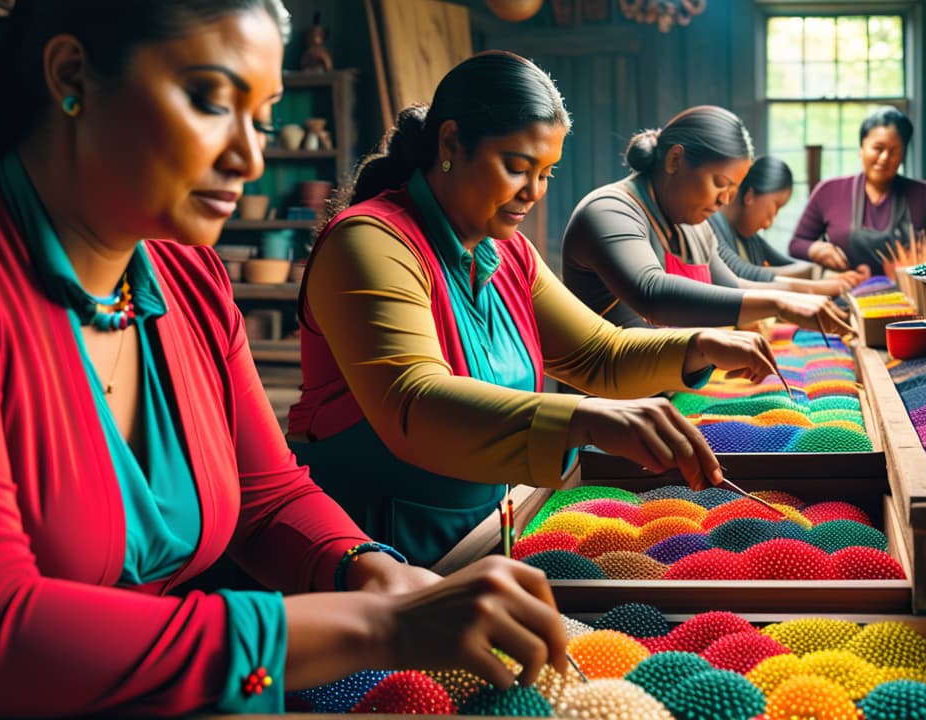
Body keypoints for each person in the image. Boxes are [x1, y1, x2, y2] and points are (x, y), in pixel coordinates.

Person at [0, 3, 573, 715]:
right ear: (72, 74)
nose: (250, 158)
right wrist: (375, 626)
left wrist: (372, 569)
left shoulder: (187, 281)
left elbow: (266, 498)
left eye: (262, 119)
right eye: (210, 100)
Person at [289, 52, 782, 568]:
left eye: (546, 173)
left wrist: (698, 346)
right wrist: (584, 419)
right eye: (517, 168)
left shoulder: (508, 252)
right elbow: (413, 402)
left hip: (477, 534)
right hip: (371, 548)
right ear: (451, 142)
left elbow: (599, 354)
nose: (534, 193)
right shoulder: (368, 242)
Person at [560, 106, 854, 330]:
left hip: (670, 388)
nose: (725, 200)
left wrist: (809, 296)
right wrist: (780, 303)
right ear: (675, 160)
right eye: (720, 183)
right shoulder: (609, 211)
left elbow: (733, 287)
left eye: (732, 190)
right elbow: (653, 293)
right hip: (612, 405)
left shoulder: (695, 228)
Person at [787, 107, 926, 275]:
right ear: (861, 148)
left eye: (894, 151)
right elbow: (796, 244)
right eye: (878, 148)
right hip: (847, 293)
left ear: (903, 155)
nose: (885, 157)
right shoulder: (828, 191)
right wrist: (816, 249)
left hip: (913, 296)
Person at [709, 155, 869, 286]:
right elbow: (742, 272)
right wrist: (818, 277)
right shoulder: (711, 224)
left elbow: (784, 263)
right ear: (750, 195)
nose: (769, 223)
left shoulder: (748, 238)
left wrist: (824, 271)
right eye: (775, 208)